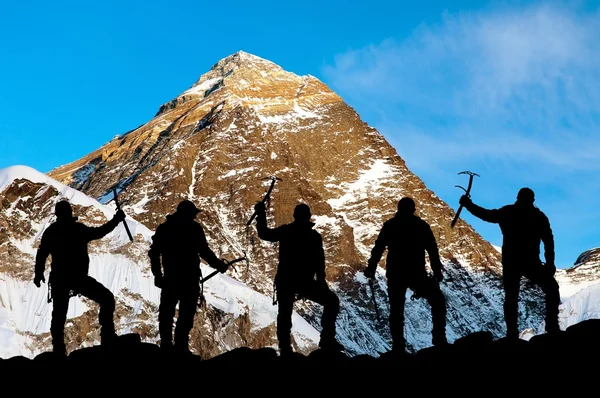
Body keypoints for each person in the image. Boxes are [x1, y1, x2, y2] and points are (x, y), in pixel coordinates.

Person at [459, 187, 560, 338]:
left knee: (511, 297)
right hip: (531, 262)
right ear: (532, 200)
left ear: (518, 198)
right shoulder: (538, 216)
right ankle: (551, 326)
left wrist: (468, 205)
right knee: (551, 288)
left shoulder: (508, 212)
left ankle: (512, 333)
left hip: (512, 261)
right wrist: (550, 263)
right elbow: (548, 241)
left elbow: (486, 215)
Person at [34, 200, 126, 355]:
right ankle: (108, 337)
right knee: (107, 299)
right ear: (70, 213)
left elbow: (42, 253)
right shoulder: (78, 229)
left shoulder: (51, 231)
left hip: (60, 278)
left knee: (59, 315)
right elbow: (100, 232)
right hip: (78, 277)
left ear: (57, 214)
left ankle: (58, 349)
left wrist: (38, 273)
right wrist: (116, 220)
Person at [253, 201, 343, 355]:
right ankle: (327, 339)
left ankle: (285, 347)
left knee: (285, 313)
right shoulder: (314, 236)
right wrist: (321, 283)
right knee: (331, 301)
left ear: (294, 216)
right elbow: (319, 263)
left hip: (286, 281)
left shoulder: (286, 231)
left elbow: (264, 234)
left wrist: (261, 214)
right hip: (305, 282)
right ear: (308, 217)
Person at [363, 197, 447, 353]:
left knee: (396, 310)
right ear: (413, 210)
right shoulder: (421, 226)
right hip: (417, 273)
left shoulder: (390, 225)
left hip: (396, 273)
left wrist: (371, 267)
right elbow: (432, 250)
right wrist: (436, 272)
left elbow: (379, 248)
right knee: (438, 300)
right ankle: (439, 338)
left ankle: (398, 346)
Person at [148, 200, 228, 355]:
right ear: (186, 214)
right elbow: (204, 251)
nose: (194, 217)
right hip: (188, 279)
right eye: (192, 214)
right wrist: (219, 265)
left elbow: (154, 254)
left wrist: (158, 275)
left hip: (171, 279)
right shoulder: (194, 229)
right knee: (185, 315)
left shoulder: (165, 229)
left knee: (168, 314)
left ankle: (168, 347)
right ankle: (179, 347)